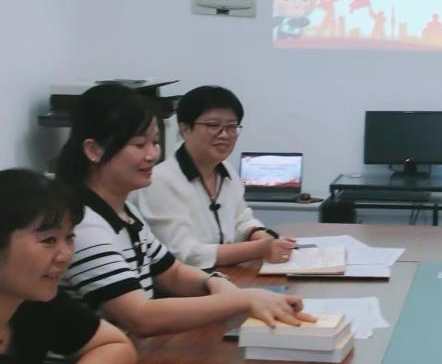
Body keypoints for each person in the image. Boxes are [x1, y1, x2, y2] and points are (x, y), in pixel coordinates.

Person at [56, 84, 313, 337]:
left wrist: (213, 281)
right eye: (139, 145)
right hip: (105, 357)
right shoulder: (82, 225)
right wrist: (241, 299)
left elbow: (171, 272)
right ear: (93, 150)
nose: (152, 155)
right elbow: (140, 317)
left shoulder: (125, 213)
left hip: (134, 350)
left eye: (155, 142)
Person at [0, 168, 176, 364]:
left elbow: (116, 347)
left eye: (69, 238)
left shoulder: (35, 300)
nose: (65, 255)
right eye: (48, 240)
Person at [133, 85, 296, 268]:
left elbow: (241, 220)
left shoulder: (226, 170)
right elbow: (184, 254)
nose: (224, 134)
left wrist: (260, 235)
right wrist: (259, 249)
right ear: (185, 130)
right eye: (213, 125)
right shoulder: (160, 181)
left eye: (231, 126)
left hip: (226, 275)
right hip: (188, 283)